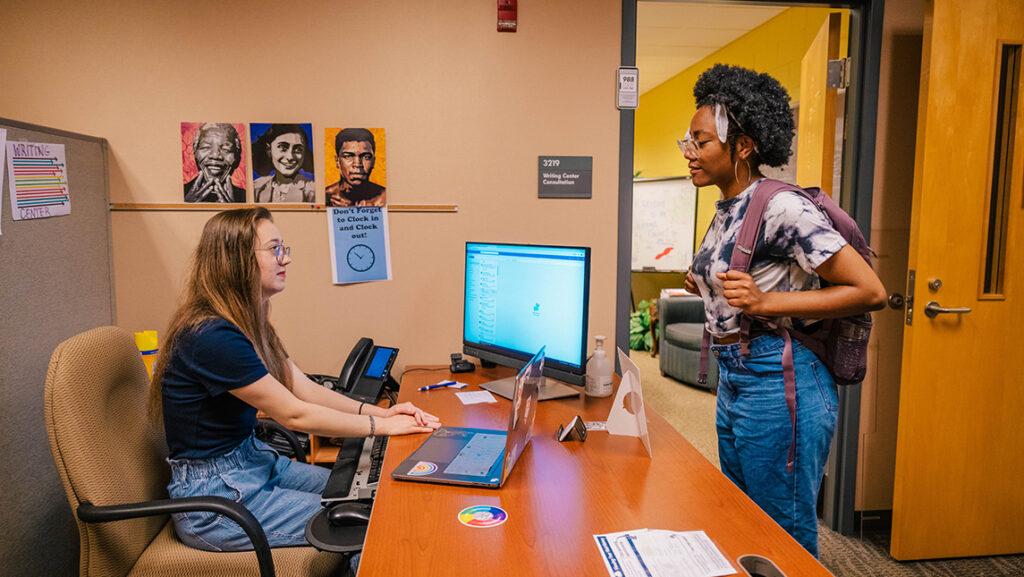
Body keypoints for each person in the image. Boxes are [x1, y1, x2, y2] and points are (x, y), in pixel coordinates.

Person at [680, 64, 885, 557]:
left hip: (780, 379)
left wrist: (767, 301)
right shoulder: (729, 205)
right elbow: (747, 278)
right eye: (687, 140)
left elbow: (869, 290)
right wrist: (705, 285)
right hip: (736, 378)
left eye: (701, 141)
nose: (689, 152)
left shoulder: (781, 207)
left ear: (743, 146)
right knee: (744, 517)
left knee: (782, 533)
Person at [149, 206, 440, 552]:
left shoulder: (246, 320)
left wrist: (380, 413)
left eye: (284, 249)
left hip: (252, 463)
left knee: (361, 494)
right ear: (237, 259)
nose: (285, 259)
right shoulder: (212, 336)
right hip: (216, 501)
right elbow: (294, 414)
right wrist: (383, 429)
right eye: (274, 250)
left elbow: (303, 388)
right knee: (367, 523)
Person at [184, 123, 247, 203]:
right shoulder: (181, 193)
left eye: (226, 149)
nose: (215, 156)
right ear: (195, 153)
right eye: (205, 147)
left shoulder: (245, 197)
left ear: (237, 159)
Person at [252, 124, 316, 203]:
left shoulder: (312, 191)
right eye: (283, 148)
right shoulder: (256, 188)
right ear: (269, 150)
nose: (290, 157)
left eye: (298, 149)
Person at [325, 128, 386, 207]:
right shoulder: (326, 196)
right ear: (337, 161)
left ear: (373, 161)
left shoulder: (384, 198)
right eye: (348, 156)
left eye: (366, 157)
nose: (357, 164)